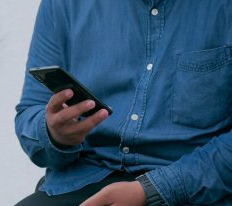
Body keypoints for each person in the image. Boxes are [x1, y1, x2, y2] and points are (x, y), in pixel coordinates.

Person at [14, 0, 232, 205]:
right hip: (84, 179)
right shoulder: (64, 4)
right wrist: (55, 135)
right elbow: (30, 112)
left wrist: (154, 190)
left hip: (193, 186)